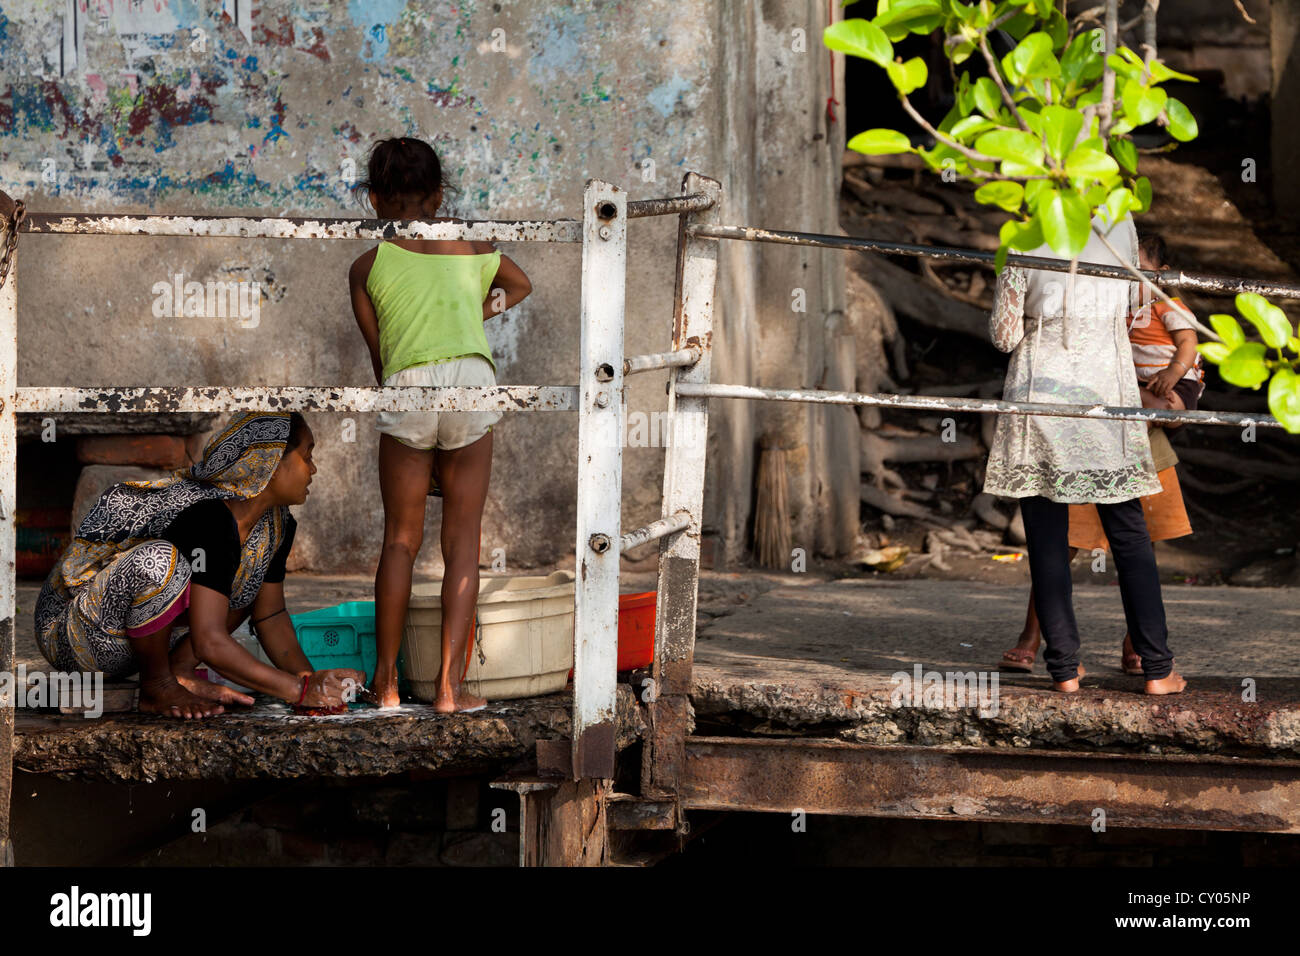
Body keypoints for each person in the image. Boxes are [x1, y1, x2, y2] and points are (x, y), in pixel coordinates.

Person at [348, 136, 533, 712]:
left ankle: (385, 684)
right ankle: (451, 689)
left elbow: (382, 359)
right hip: (471, 384)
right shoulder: (474, 245)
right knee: (462, 544)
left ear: (374, 198)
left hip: (408, 385)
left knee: (401, 541)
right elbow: (520, 285)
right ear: (439, 194)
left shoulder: (366, 265)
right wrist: (471, 316)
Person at [34, 412, 364, 718]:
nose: (314, 468)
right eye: (307, 455)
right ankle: (158, 687)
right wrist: (297, 691)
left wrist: (313, 683)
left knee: (243, 584)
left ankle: (177, 671)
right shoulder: (208, 514)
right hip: (76, 635)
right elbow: (209, 640)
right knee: (159, 563)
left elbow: (270, 615)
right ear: (272, 461)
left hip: (129, 648)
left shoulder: (276, 524)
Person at [982, 211, 1186, 695]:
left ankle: (1065, 672)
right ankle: (1158, 670)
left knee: (1047, 539)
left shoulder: (1024, 233)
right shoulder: (1122, 223)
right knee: (1130, 534)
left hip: (1041, 394)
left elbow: (1004, 336)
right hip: (1105, 392)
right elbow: (1137, 306)